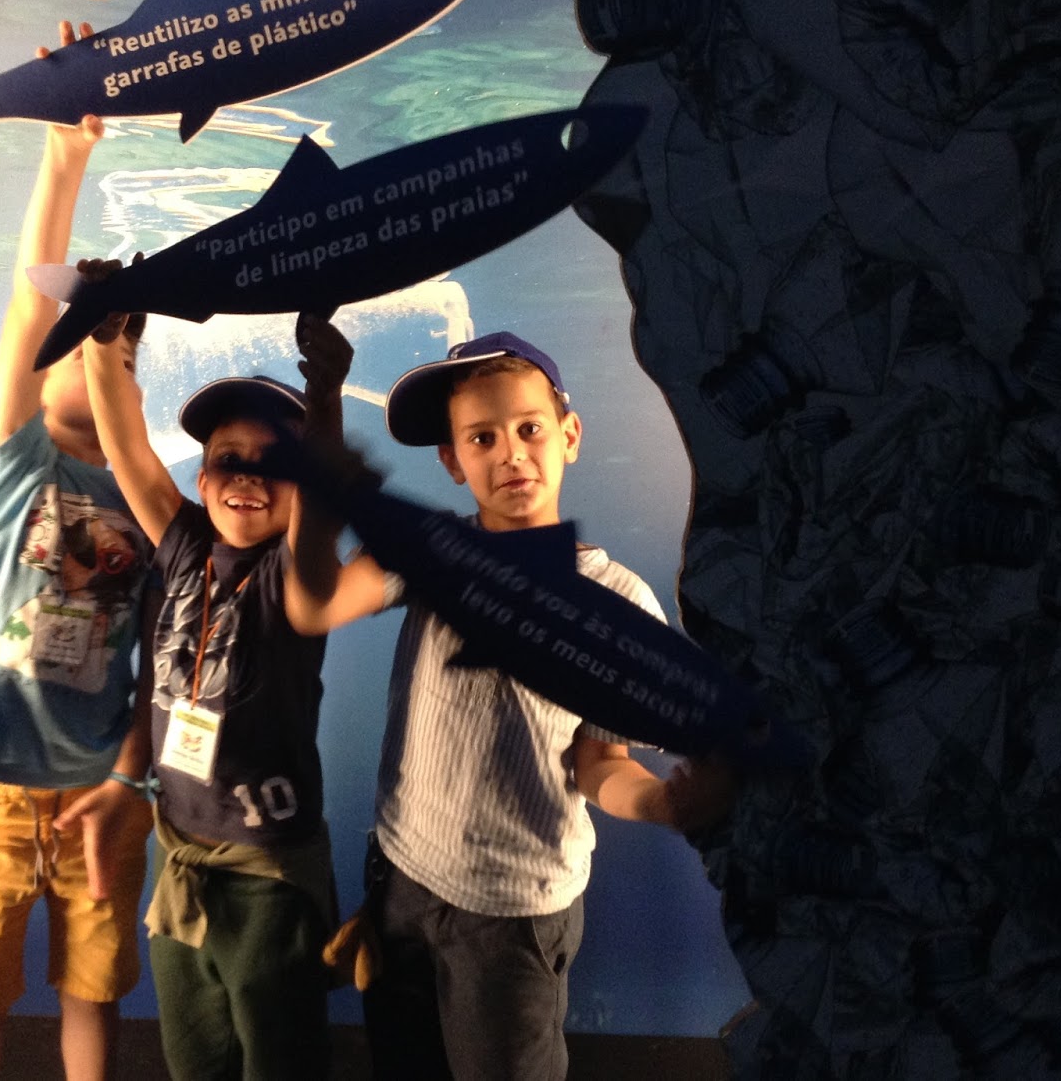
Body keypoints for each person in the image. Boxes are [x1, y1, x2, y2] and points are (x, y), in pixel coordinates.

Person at [285, 331, 738, 1079]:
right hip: (401, 877)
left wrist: (661, 803)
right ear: (452, 460)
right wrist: (322, 423)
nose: (510, 454)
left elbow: (599, 760)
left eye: (529, 428)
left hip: (516, 912)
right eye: (481, 438)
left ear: (569, 435)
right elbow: (313, 604)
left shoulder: (616, 601)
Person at [0, 21, 157, 1081]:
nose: (88, 360)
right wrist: (66, 153)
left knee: (92, 997)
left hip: (99, 788)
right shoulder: (16, 453)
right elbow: (28, 301)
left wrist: (133, 779)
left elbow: (164, 661)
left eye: (112, 349)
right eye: (71, 343)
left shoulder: (150, 502)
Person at [78, 276, 354, 1079]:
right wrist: (103, 343)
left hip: (270, 877)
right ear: (200, 478)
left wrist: (325, 399)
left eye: (275, 465)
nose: (247, 477)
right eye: (228, 460)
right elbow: (128, 450)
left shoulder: (295, 579)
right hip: (183, 863)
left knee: (281, 1060)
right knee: (193, 1058)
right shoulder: (185, 548)